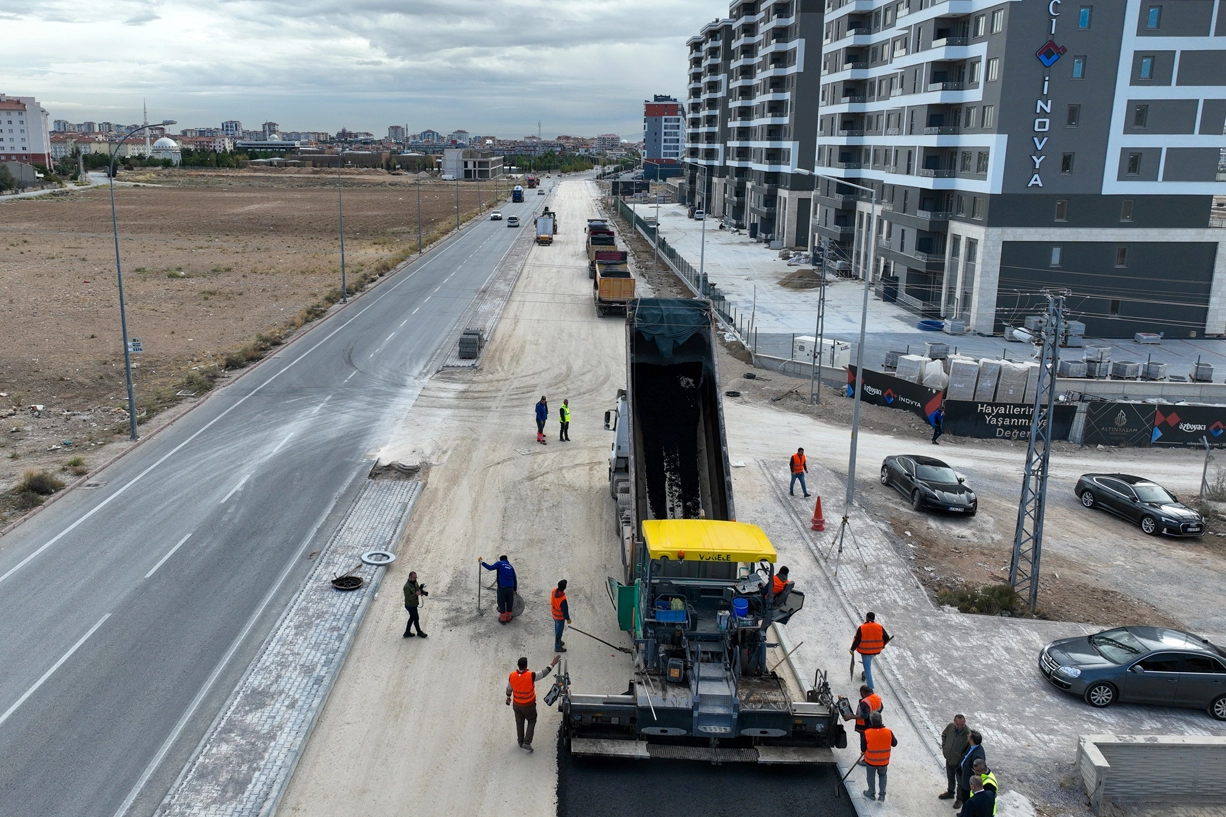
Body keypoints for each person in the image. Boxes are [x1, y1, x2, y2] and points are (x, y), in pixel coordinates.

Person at [505, 655, 560, 753]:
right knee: (531, 720)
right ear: (526, 666)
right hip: (528, 705)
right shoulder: (531, 675)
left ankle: (520, 741)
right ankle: (527, 742)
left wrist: (508, 697)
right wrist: (553, 663)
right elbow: (544, 672)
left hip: (517, 705)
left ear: (518, 666)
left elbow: (509, 688)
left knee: (519, 722)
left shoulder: (512, 675)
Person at [850, 612, 891, 691]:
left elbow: (857, 640)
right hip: (876, 651)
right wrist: (882, 645)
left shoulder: (862, 628)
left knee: (868, 669)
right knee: (868, 665)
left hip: (865, 652)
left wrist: (852, 649)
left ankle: (870, 688)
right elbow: (886, 637)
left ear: (867, 617)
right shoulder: (879, 627)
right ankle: (864, 674)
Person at [862, 711, 897, 802]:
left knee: (871, 777)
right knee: (883, 776)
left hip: (871, 761)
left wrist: (863, 752)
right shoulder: (888, 732)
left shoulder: (867, 733)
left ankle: (871, 793)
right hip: (884, 761)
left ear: (871, 722)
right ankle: (882, 795)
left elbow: (863, 747)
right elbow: (894, 743)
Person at [939, 714, 970, 800]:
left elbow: (968, 748)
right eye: (958, 724)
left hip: (959, 763)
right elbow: (944, 735)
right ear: (954, 722)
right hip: (949, 758)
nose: (960, 726)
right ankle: (950, 792)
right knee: (950, 777)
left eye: (962, 724)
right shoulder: (950, 727)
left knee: (960, 782)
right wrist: (945, 747)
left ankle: (959, 799)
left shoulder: (968, 734)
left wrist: (961, 758)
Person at [480, 555, 518, 624]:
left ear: (501, 560)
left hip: (502, 586)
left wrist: (482, 562)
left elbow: (490, 568)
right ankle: (509, 618)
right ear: (507, 560)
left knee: (501, 601)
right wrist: (515, 589)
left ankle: (502, 619)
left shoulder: (499, 563)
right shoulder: (511, 567)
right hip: (511, 587)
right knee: (510, 601)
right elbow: (515, 579)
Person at [955, 731, 985, 809]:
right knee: (962, 792)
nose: (967, 736)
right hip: (962, 774)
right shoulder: (971, 746)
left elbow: (978, 770)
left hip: (967, 781)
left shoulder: (978, 754)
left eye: (969, 736)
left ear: (972, 740)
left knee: (966, 799)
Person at [854, 683, 883, 761]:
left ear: (863, 693)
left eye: (861, 693)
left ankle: (865, 759)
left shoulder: (864, 703)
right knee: (872, 741)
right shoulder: (877, 697)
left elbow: (863, 716)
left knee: (864, 743)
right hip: (874, 724)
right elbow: (880, 708)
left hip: (864, 726)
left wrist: (850, 716)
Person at [402, 571, 429, 638]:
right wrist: (416, 594)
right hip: (410, 605)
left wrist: (421, 592)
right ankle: (419, 632)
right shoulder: (406, 587)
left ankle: (407, 632)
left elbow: (417, 589)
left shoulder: (415, 582)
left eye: (416, 578)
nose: (415, 579)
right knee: (416, 618)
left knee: (412, 618)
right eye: (414, 578)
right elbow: (408, 598)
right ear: (409, 578)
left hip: (414, 604)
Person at [551, 579, 571, 652]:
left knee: (557, 629)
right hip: (559, 618)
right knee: (559, 633)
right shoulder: (563, 599)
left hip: (554, 615)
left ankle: (559, 642)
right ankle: (557, 646)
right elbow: (565, 611)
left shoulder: (553, 590)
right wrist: (568, 619)